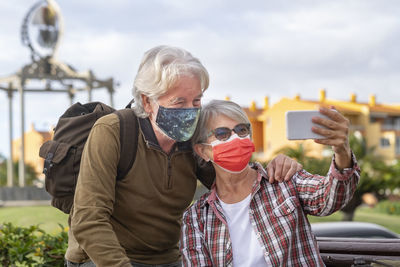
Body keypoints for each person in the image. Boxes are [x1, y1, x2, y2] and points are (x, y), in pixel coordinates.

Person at [64, 46, 302, 267]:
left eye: (196, 100)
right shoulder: (113, 131)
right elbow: (89, 219)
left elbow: (235, 183)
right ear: (148, 101)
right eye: (178, 102)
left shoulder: (192, 137)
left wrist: (277, 168)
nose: (190, 111)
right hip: (104, 257)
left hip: (167, 258)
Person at [180, 99, 361, 266]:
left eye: (242, 130)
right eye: (222, 134)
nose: (236, 138)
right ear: (203, 151)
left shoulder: (285, 181)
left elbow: (331, 198)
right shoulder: (195, 219)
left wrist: (341, 150)